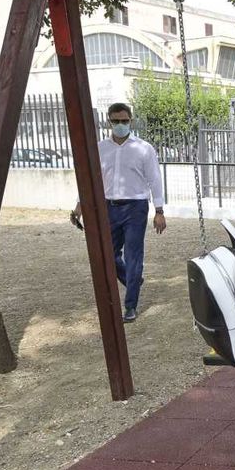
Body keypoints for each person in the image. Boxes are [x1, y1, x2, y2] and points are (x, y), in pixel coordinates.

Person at [74, 102, 165, 323]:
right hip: (108, 207)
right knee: (107, 255)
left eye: (125, 121)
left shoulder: (144, 148)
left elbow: (154, 179)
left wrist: (159, 210)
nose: (121, 125)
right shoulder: (100, 148)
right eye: (116, 121)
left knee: (133, 257)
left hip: (135, 207)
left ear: (131, 120)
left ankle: (130, 305)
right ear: (109, 122)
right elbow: (90, 179)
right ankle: (132, 279)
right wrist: (80, 204)